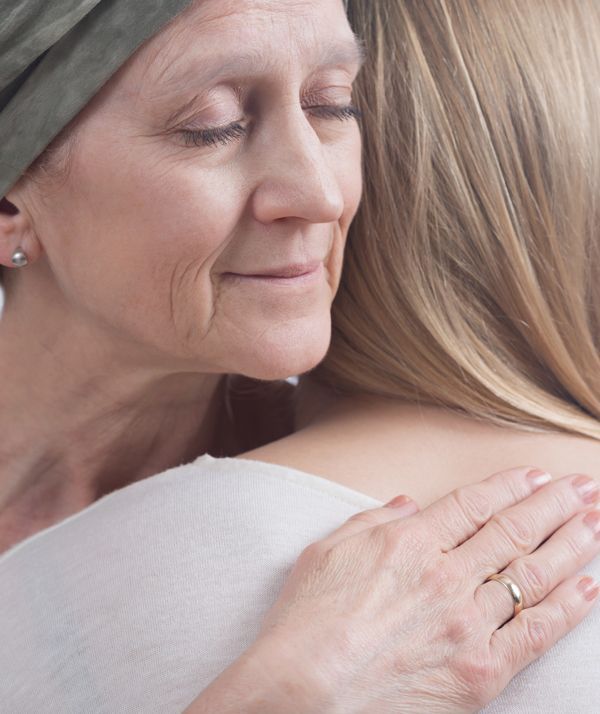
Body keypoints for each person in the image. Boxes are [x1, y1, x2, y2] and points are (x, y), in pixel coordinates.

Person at [0, 1, 597, 713]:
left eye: (332, 106)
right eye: (211, 125)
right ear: (11, 204)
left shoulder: (322, 512)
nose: (318, 193)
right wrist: (295, 692)